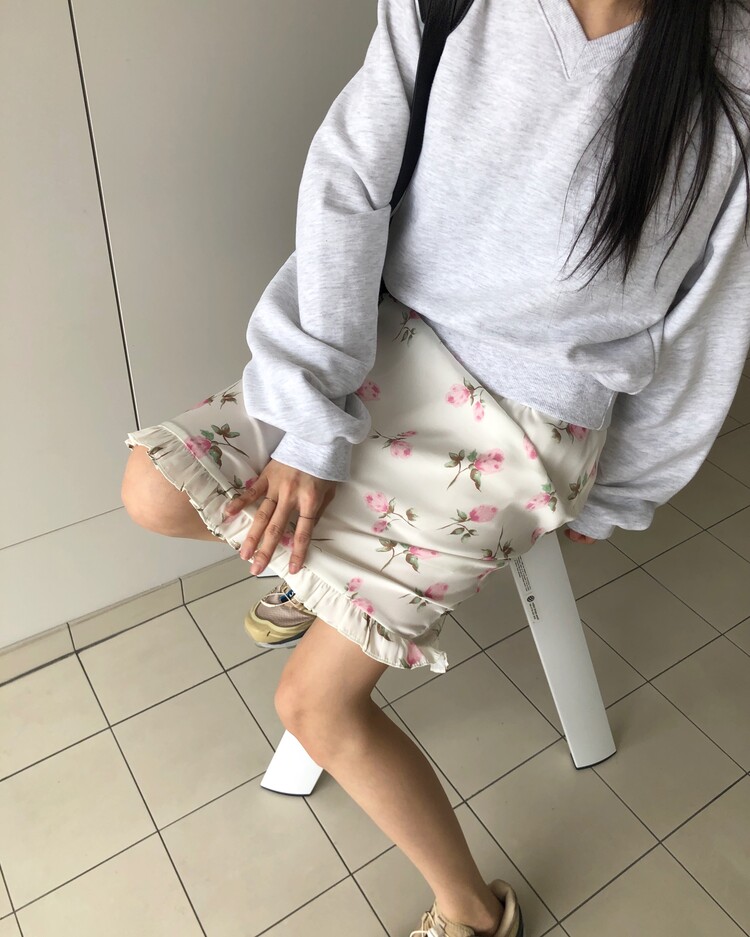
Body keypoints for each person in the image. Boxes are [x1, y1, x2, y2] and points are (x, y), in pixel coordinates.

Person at [121, 0, 750, 934]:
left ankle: (474, 911)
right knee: (153, 488)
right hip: (386, 336)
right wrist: (315, 416)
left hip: (528, 420)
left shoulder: (732, 67)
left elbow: (707, 324)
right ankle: (329, 568)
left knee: (314, 705)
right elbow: (348, 182)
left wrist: (623, 492)